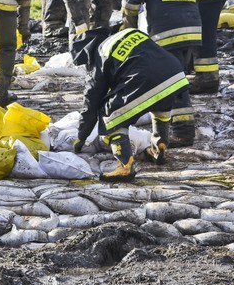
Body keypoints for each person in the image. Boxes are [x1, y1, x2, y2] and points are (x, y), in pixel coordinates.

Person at [71, 27, 190, 181]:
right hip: (175, 73)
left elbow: (91, 101)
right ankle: (159, 147)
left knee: (110, 113)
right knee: (161, 105)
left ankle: (125, 166)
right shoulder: (127, 33)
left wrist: (81, 136)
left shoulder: (101, 52)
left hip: (145, 78)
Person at [121, 0, 201, 147]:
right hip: (193, 34)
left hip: (167, 35)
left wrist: (128, 35)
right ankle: (184, 130)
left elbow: (129, 5)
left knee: (169, 84)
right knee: (180, 80)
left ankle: (182, 134)